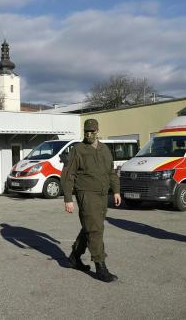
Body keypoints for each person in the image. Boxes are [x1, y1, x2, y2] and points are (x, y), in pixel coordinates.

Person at [61, 119, 122, 282]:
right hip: (86, 194)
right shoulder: (78, 150)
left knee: (90, 227)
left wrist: (116, 190)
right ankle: (100, 266)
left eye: (92, 132)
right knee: (95, 229)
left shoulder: (104, 149)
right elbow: (68, 175)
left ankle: (74, 257)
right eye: (86, 132)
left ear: (97, 131)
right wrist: (68, 198)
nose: (89, 134)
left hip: (102, 195)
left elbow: (111, 172)